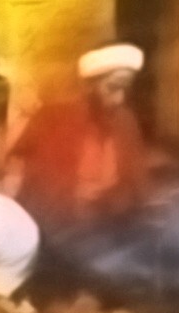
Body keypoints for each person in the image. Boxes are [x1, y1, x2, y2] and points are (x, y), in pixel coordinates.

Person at [10, 42, 156, 229]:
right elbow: (33, 186)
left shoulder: (125, 121)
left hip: (113, 224)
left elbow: (138, 183)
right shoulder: (53, 119)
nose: (119, 99)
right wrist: (76, 193)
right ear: (89, 86)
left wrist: (117, 200)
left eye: (125, 90)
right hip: (62, 227)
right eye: (112, 88)